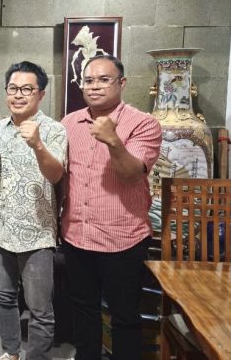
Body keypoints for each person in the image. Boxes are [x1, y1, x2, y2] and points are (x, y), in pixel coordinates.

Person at [61, 54, 161, 360]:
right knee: (83, 309)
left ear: (122, 83)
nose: (94, 86)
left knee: (124, 315)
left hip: (123, 239)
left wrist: (113, 140)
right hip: (77, 235)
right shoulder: (69, 123)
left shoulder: (143, 123)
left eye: (104, 80)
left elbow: (132, 174)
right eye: (88, 80)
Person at [0, 61, 66, 360]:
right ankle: (11, 353)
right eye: (13, 88)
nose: (18, 95)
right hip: (0, 229)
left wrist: (38, 145)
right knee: (3, 297)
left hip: (37, 233)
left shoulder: (54, 130)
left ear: (41, 94)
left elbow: (56, 175)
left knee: (40, 309)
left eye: (27, 89)